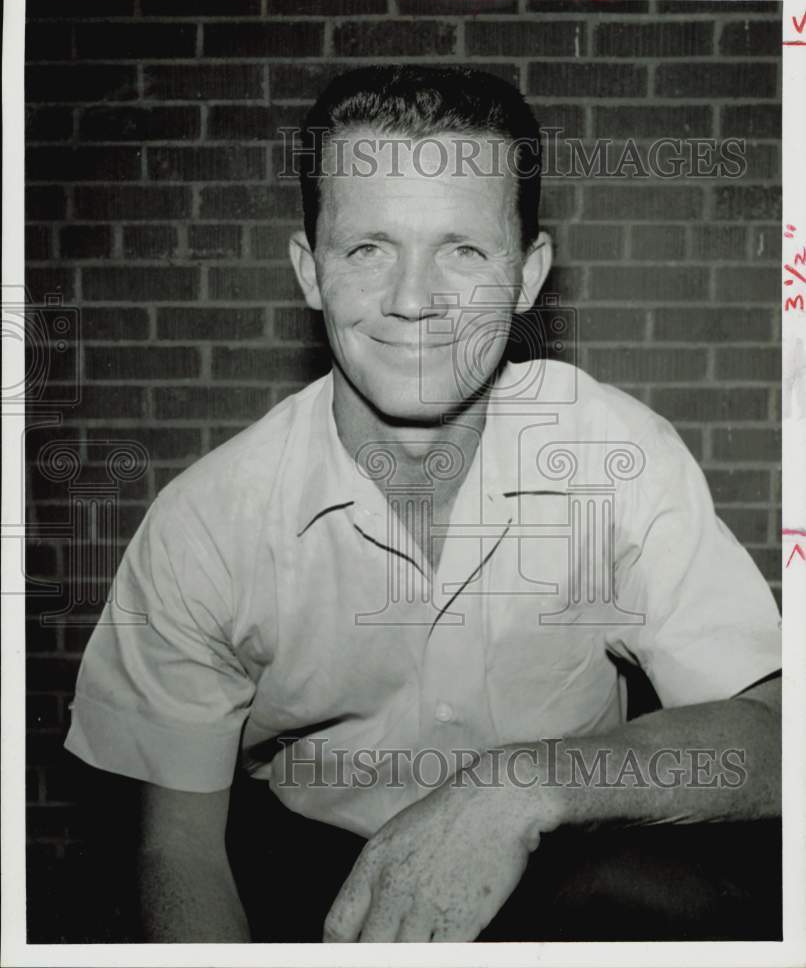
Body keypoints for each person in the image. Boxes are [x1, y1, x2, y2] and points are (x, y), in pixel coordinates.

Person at [64, 65, 782, 943]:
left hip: (568, 863)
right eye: (368, 248)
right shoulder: (206, 523)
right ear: (310, 272)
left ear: (527, 276)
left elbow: (778, 742)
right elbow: (177, 853)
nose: (414, 301)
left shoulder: (613, 457)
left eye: (464, 250)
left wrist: (516, 786)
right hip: (302, 874)